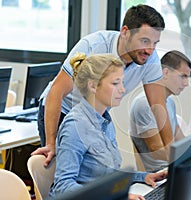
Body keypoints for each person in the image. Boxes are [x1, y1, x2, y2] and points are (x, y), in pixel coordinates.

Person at [32, 4, 174, 166]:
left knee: (98, 171)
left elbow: (158, 105)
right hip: (61, 110)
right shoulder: (94, 46)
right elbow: (56, 92)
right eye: (144, 41)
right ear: (125, 32)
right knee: (63, 171)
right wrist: (51, 143)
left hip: (94, 116)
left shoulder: (150, 58)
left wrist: (171, 151)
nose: (149, 50)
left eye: (155, 43)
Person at [49, 53, 167, 200]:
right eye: (116, 83)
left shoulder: (105, 121)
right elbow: (63, 186)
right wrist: (114, 195)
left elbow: (108, 174)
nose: (123, 89)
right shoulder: (75, 126)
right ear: (92, 85)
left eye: (122, 83)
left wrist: (143, 177)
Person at [130, 50, 191, 172]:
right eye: (183, 76)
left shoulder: (170, 102)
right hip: (161, 173)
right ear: (165, 73)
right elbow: (156, 151)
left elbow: (182, 140)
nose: (186, 84)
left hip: (177, 166)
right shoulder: (144, 103)